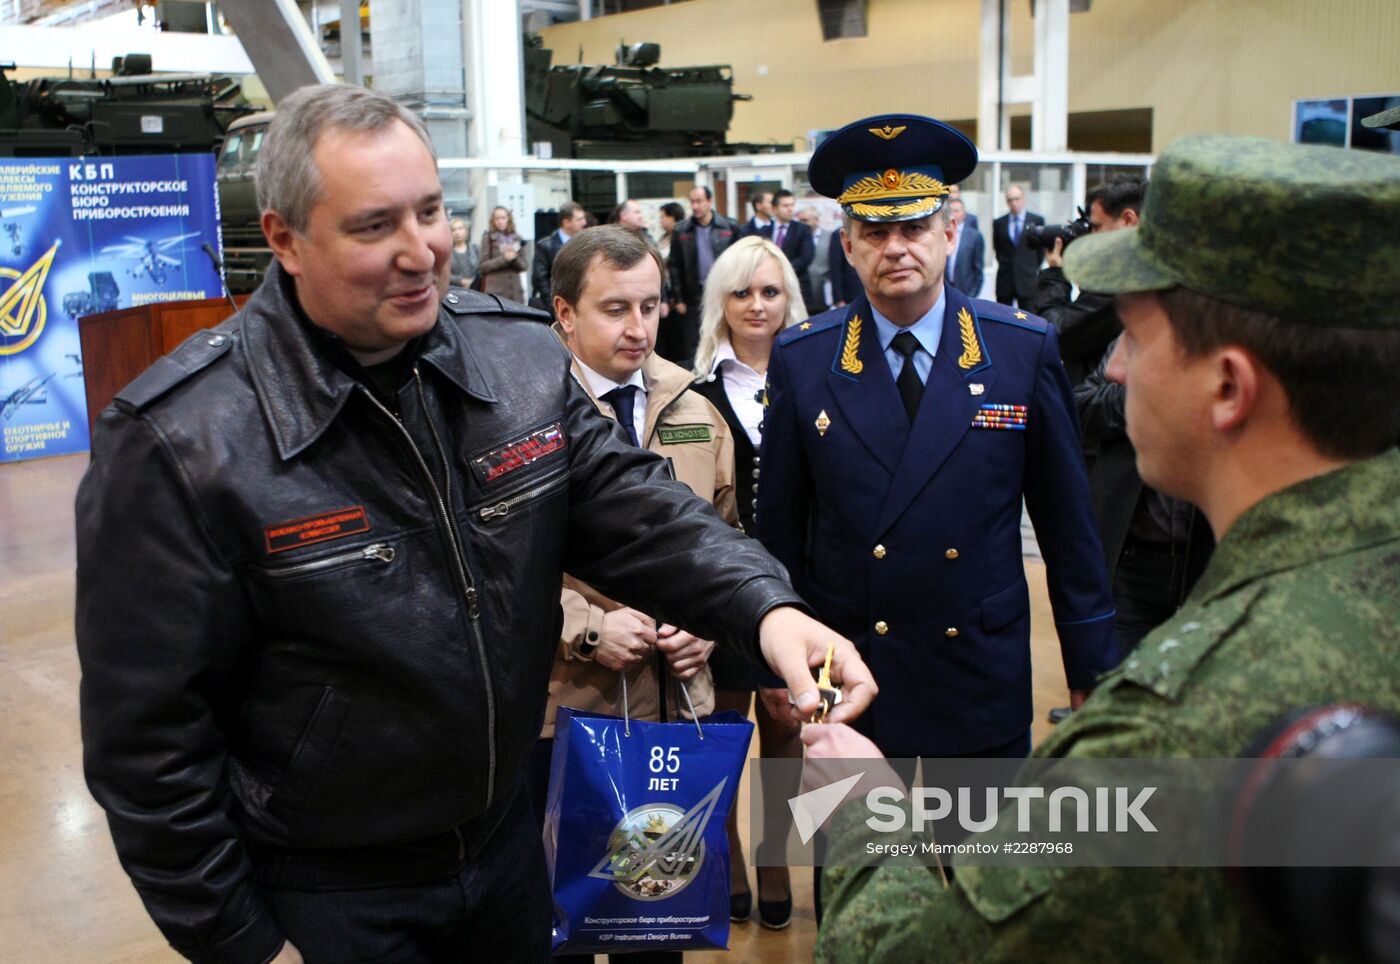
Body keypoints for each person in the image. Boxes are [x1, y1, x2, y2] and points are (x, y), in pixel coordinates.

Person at [74, 83, 876, 964]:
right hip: (330, 896)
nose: (422, 251)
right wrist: (244, 943)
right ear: (284, 239)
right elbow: (148, 749)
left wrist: (770, 611)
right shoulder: (182, 442)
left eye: (431, 211)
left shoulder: (517, 362)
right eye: (376, 226)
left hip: (504, 864)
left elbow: (644, 513)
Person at [808, 134, 1400, 961]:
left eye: (1133, 333)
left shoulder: (1173, 727)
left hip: (968, 687)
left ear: (1228, 386)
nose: (1115, 368)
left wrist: (859, 806)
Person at [756, 113, 1117, 765]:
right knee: (857, 861)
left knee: (985, 863)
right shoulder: (804, 360)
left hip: (976, 668)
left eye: (915, 227)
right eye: (875, 231)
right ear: (848, 246)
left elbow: (1069, 527)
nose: (896, 247)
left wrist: (1090, 665)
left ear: (950, 233)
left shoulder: (1019, 350)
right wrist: (778, 658)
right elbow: (781, 529)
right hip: (849, 671)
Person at [530, 225, 734, 964]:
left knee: (655, 920)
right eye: (616, 309)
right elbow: (491, 563)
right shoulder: (520, 415)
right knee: (565, 919)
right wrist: (586, 626)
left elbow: (726, 537)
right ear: (564, 313)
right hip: (564, 710)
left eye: (649, 307)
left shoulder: (691, 406)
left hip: (674, 709)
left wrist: (709, 621)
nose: (639, 327)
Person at [690, 236, 808, 929]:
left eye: (769, 291)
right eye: (742, 292)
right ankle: (728, 860)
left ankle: (775, 860)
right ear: (721, 304)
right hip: (725, 593)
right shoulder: (697, 391)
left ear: (788, 297)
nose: (757, 305)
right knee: (723, 735)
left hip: (802, 593)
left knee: (789, 734)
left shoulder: (822, 379)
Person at [1033, 174, 1146, 387]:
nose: (1090, 237)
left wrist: (1056, 274)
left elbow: (1055, 335)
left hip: (1099, 407)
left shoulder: (1121, 279)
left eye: (1096, 227)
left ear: (1128, 220)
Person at [665, 185, 740, 365]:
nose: (696, 206)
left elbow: (739, 262)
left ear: (709, 201)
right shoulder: (682, 231)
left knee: (722, 332)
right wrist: (679, 298)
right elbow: (674, 266)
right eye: (692, 202)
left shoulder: (729, 227)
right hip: (693, 293)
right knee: (693, 338)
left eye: (699, 201)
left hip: (722, 290)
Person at [530, 200, 587, 313]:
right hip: (555, 307)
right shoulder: (546, 246)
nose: (584, 222)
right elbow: (540, 279)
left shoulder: (585, 244)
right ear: (566, 222)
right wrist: (552, 306)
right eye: (579, 219)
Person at [992, 185, 1044, 307]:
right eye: (1010, 200)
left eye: (1016, 199)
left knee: (1028, 320)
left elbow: (1040, 251)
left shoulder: (1036, 221)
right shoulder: (999, 223)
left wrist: (1029, 267)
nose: (1014, 203)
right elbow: (998, 249)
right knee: (1004, 319)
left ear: (1023, 199)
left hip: (1027, 280)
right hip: (1005, 281)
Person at [769, 189, 816, 314]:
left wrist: (779, 269)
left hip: (797, 286)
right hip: (770, 289)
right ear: (774, 209)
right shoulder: (764, 230)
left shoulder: (803, 230)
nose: (790, 209)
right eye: (785, 206)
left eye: (792, 205)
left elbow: (806, 258)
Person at [478, 205, 528, 303]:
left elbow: (524, 266)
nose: (500, 221)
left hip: (515, 293)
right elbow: (483, 267)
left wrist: (514, 258)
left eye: (503, 218)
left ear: (508, 219)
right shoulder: (488, 238)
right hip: (496, 293)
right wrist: (504, 259)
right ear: (493, 221)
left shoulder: (518, 238)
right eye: (497, 219)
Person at [944, 197, 983, 297]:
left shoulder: (974, 236)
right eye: (951, 211)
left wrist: (973, 295)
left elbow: (978, 269)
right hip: (945, 289)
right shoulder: (942, 234)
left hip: (966, 291)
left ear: (964, 214)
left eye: (956, 211)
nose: (953, 214)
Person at [798, 206, 831, 314]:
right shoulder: (796, 237)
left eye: (805, 220)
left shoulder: (830, 237)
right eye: (800, 220)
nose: (802, 223)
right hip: (802, 294)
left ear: (816, 220)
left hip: (824, 295)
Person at [449, 216, 479, 288]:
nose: (457, 232)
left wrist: (473, 281)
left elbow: (482, 269)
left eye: (460, 228)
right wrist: (460, 281)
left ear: (466, 230)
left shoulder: (475, 249)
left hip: (477, 289)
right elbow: (444, 274)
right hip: (457, 290)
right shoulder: (448, 253)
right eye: (454, 230)